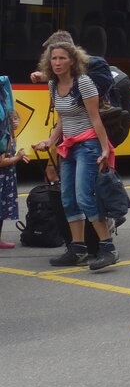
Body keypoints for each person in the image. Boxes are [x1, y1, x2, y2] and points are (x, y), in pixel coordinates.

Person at [34, 38, 118, 270]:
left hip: (88, 145)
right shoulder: (53, 84)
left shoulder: (84, 83)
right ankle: (78, 248)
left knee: (85, 197)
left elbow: (95, 118)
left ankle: (108, 248)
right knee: (68, 199)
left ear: (72, 61)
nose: (58, 62)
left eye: (62, 58)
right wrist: (50, 140)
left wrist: (104, 149)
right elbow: (63, 118)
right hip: (68, 147)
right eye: (54, 58)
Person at [0, 74, 28, 249]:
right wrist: (17, 157)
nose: (16, 122)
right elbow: (2, 162)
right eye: (13, 119)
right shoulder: (3, 136)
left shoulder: (8, 135)